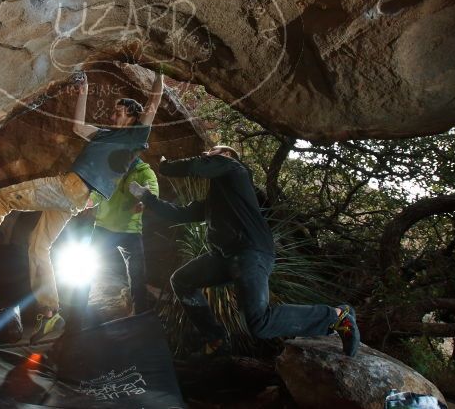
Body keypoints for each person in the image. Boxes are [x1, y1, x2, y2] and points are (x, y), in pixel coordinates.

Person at [0, 70, 164, 343]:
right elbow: (77, 127)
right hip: (74, 199)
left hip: (70, 187)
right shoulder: (103, 134)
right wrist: (83, 91)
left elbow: (154, 103)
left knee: (1, 199)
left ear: (134, 118)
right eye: (114, 111)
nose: (114, 115)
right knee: (39, 246)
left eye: (121, 113)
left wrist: (158, 71)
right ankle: (50, 310)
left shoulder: (134, 138)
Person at [128, 145, 361, 357]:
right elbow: (178, 213)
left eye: (213, 151)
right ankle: (216, 338)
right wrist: (146, 197)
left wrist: (164, 166)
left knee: (259, 324)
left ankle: (337, 317)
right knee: (182, 280)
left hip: (251, 252)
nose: (206, 152)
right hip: (227, 257)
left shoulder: (235, 169)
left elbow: (198, 165)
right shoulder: (216, 200)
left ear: (226, 156)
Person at [88, 157, 159, 315]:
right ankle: (75, 320)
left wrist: (144, 201)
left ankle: (139, 316)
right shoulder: (110, 166)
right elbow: (99, 189)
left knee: (138, 276)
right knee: (85, 271)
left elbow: (152, 189)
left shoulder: (145, 171)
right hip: (103, 227)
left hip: (130, 230)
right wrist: (90, 200)